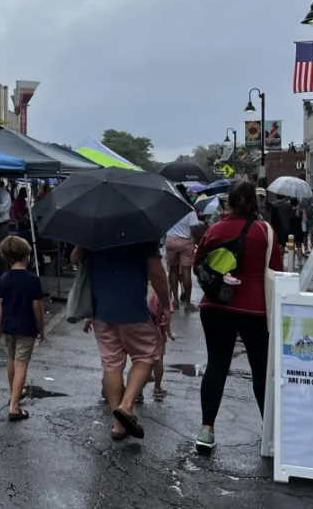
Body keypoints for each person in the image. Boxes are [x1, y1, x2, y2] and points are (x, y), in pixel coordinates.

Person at [192, 180, 281, 454]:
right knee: (260, 370)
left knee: (216, 365)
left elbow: (198, 265)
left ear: (227, 202)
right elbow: (276, 269)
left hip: (216, 305)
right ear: (255, 202)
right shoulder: (264, 231)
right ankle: (271, 434)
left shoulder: (216, 229)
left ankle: (206, 430)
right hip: (255, 309)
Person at [75, 241, 171, 442]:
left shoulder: (95, 232)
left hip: (102, 311)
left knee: (111, 365)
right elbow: (156, 273)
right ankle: (126, 406)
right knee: (146, 354)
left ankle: (118, 425)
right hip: (133, 309)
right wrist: (166, 304)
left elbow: (75, 259)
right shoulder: (142, 233)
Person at [0, 236, 44, 420]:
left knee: (11, 359)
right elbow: (37, 307)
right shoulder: (33, 280)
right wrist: (41, 328)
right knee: (22, 363)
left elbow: (0, 304)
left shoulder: (4, 278)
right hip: (26, 327)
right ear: (26, 255)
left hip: (8, 326)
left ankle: (14, 392)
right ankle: (14, 406)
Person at [164, 203, 199, 311]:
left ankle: (175, 301)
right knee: (186, 271)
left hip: (170, 241)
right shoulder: (190, 210)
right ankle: (188, 304)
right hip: (186, 243)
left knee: (173, 270)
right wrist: (196, 240)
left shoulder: (168, 208)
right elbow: (194, 229)